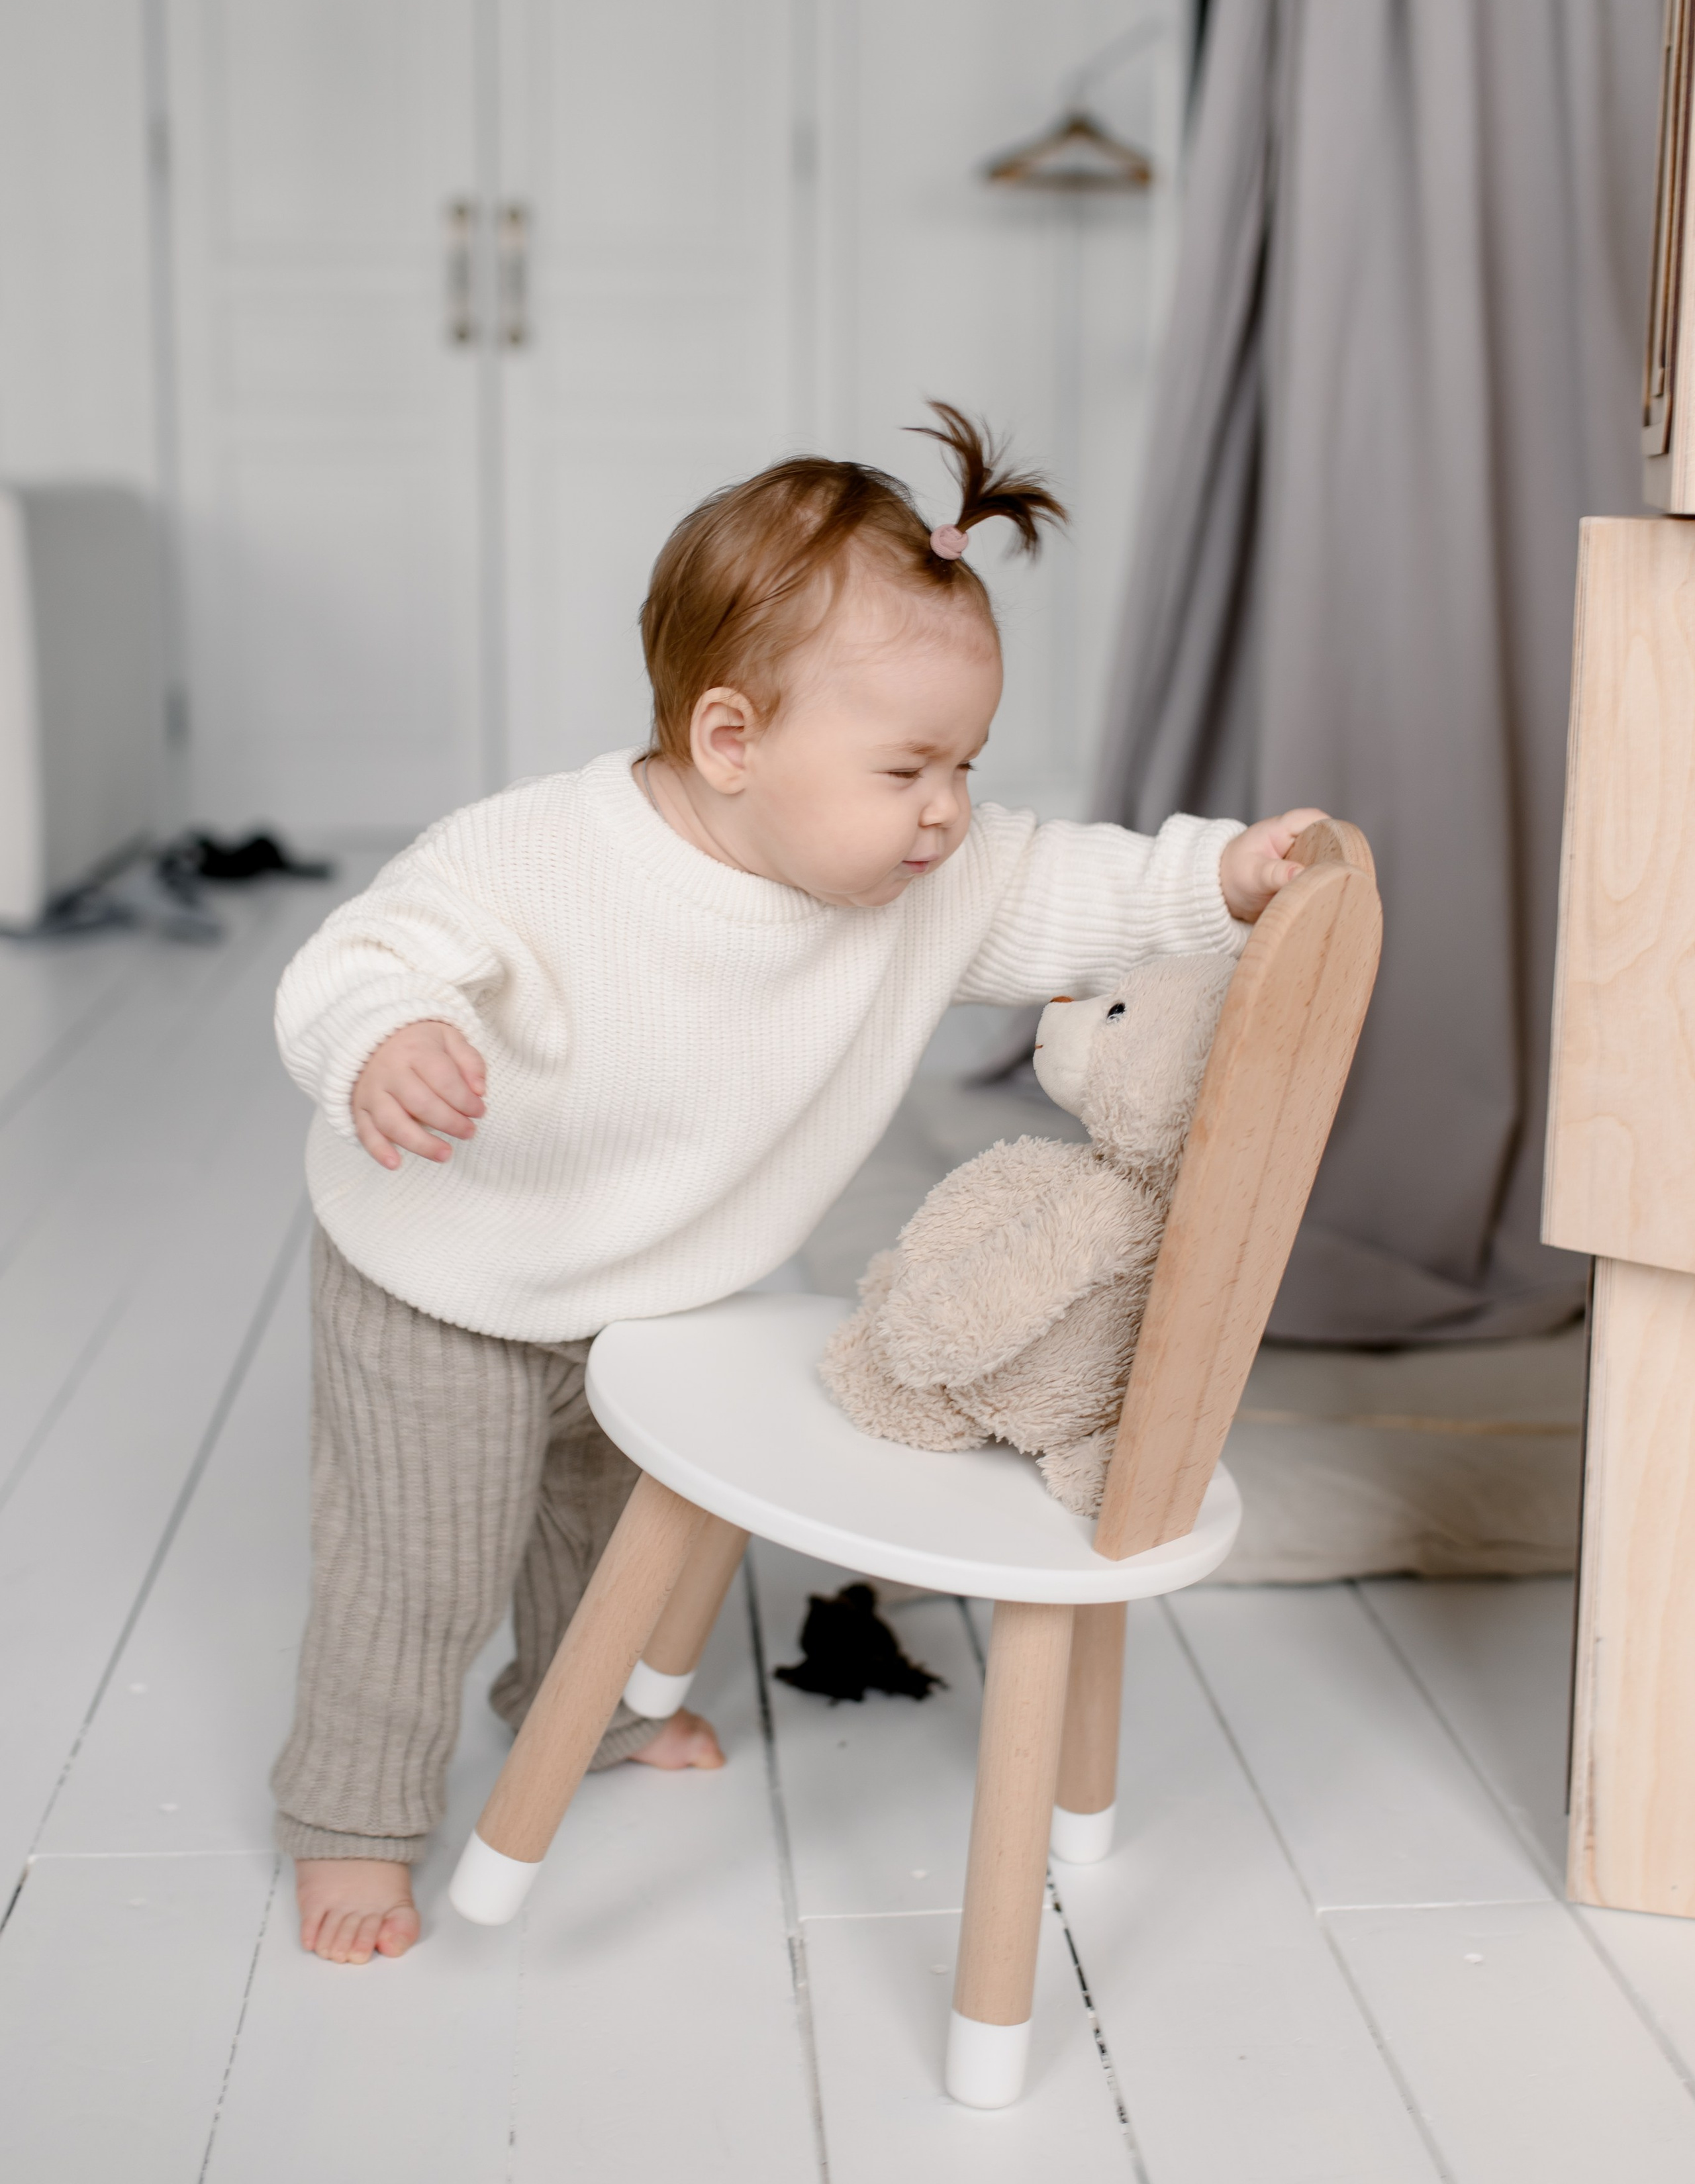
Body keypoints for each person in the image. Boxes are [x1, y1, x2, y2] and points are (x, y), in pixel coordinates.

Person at [271, 404, 1323, 1964]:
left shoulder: (925, 873)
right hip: (450, 1276)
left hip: (662, 1291)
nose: (948, 806)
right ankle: (353, 1818)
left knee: (608, 1536)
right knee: (418, 1565)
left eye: (965, 761)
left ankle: (592, 1715)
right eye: (907, 765)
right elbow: (365, 948)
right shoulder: (541, 858)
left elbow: (1075, 881)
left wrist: (1219, 879)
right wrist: (388, 1031)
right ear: (728, 741)